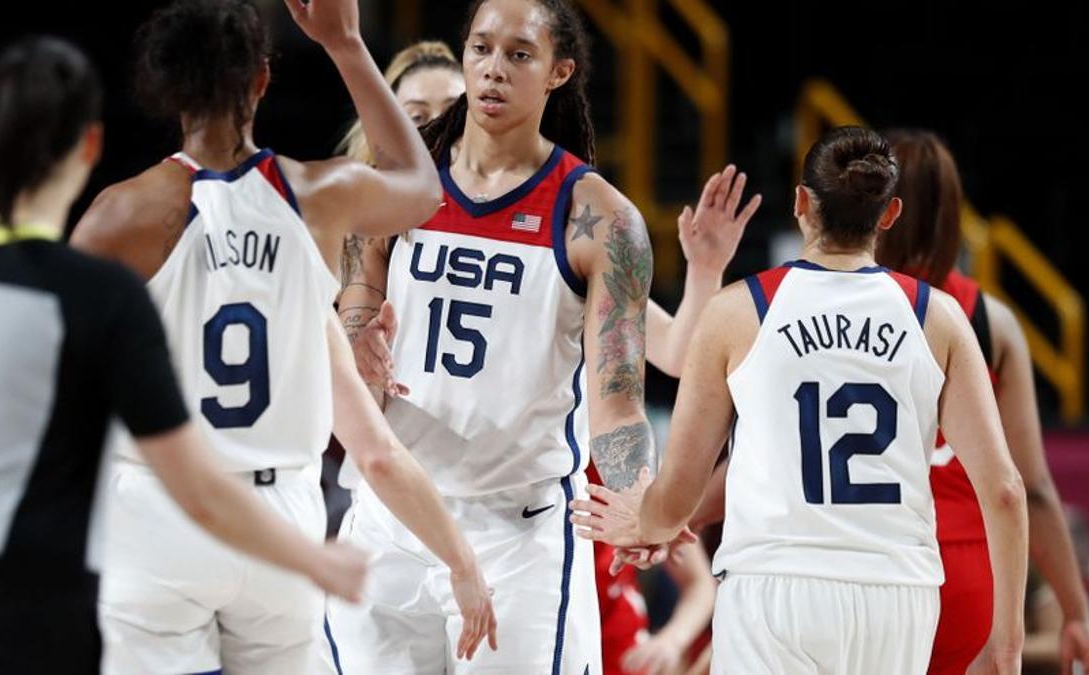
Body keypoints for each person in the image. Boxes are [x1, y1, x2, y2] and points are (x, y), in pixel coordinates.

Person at [70, 1, 494, 672]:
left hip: (161, 506)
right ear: (262, 80)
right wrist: (347, 44)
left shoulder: (118, 213)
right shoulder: (316, 194)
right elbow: (420, 188)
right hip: (281, 515)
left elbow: (69, 389)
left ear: (168, 88)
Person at [0, 35, 366, 674]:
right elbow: (193, 479)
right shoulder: (99, 295)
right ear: (90, 146)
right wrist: (311, 559)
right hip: (45, 601)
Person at [337, 37, 754, 674]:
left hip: (513, 518)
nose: (439, 121)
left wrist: (637, 490)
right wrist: (351, 332)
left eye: (447, 106)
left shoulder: (582, 219)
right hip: (389, 509)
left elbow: (650, 369)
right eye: (414, 111)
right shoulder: (374, 218)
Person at [572, 127, 1029, 675]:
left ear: (801, 204)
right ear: (888, 215)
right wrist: (1008, 641)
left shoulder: (739, 312)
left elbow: (677, 495)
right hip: (899, 593)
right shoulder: (938, 318)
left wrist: (645, 523)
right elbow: (1004, 490)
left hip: (777, 589)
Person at [878, 129, 1089, 675]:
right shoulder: (990, 321)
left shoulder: (826, 308)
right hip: (966, 574)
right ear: (953, 213)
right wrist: (1076, 613)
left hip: (869, 561)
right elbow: (1032, 486)